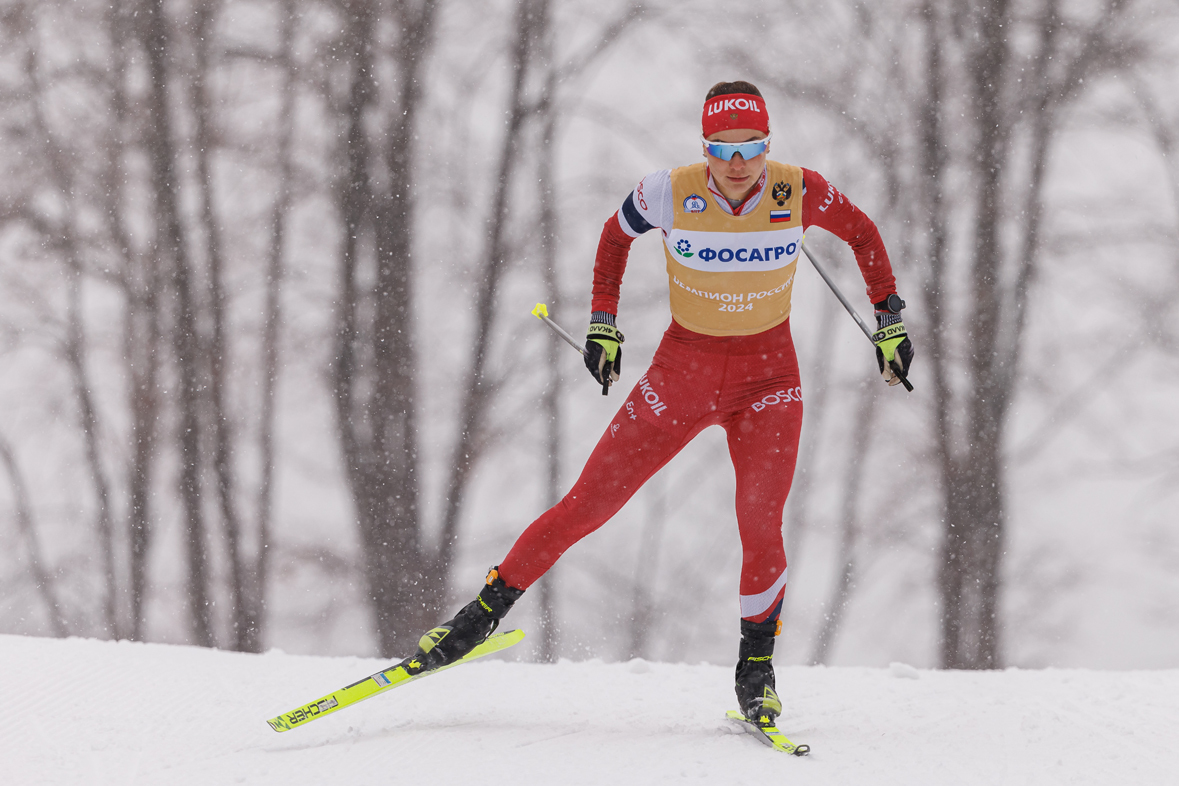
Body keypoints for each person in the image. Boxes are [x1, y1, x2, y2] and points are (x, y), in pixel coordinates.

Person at [401, 81, 914, 725]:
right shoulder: (668, 192)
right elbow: (614, 237)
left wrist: (889, 320)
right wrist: (603, 323)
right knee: (590, 502)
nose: (736, 163)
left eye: (750, 147)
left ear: (767, 145)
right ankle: (479, 616)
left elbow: (863, 233)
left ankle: (756, 671)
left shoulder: (798, 190)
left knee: (760, 523)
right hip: (682, 374)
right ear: (704, 148)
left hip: (769, 382)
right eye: (722, 149)